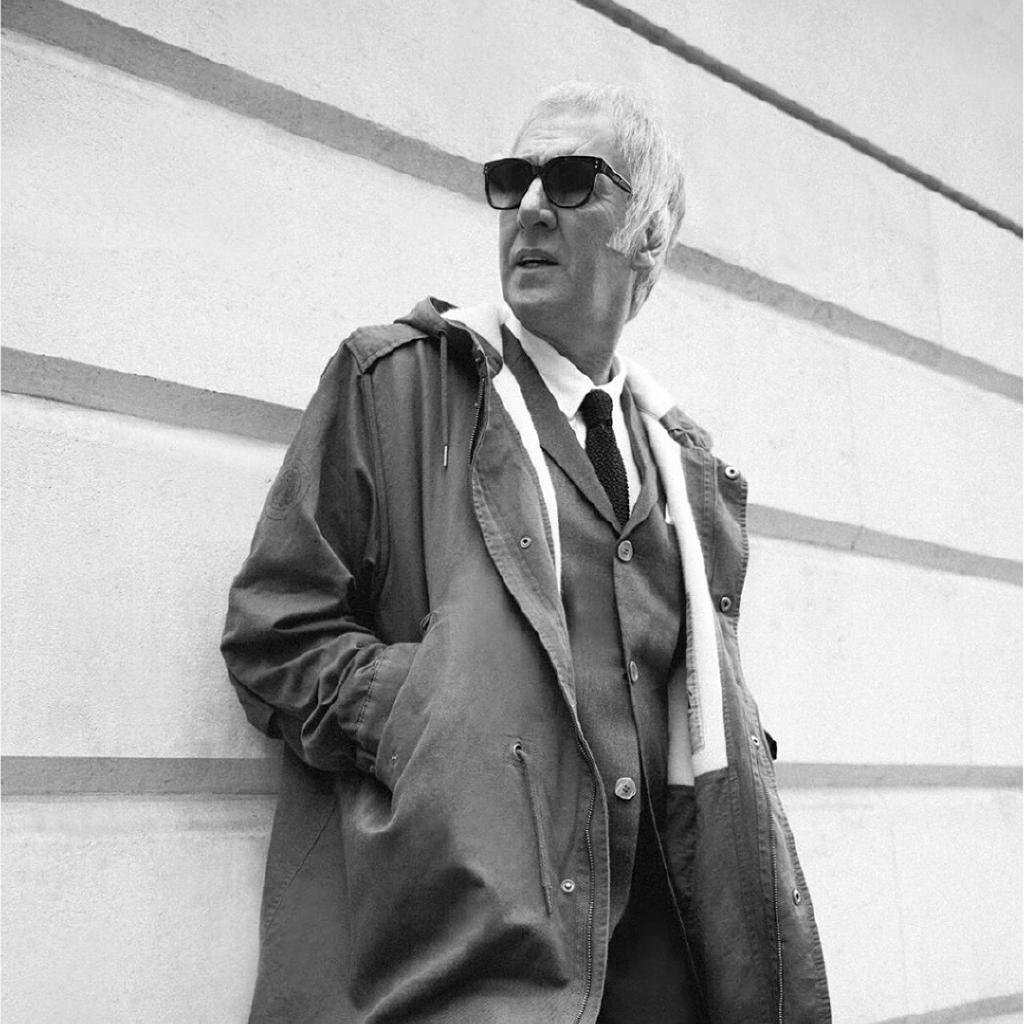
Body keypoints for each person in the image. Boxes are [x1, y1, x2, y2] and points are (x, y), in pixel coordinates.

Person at [222, 82, 831, 1024]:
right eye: (514, 180)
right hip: (474, 972)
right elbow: (276, 633)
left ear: (650, 239)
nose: (532, 206)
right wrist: (429, 720)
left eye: (573, 179)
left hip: (664, 980)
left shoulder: (684, 469)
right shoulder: (395, 383)